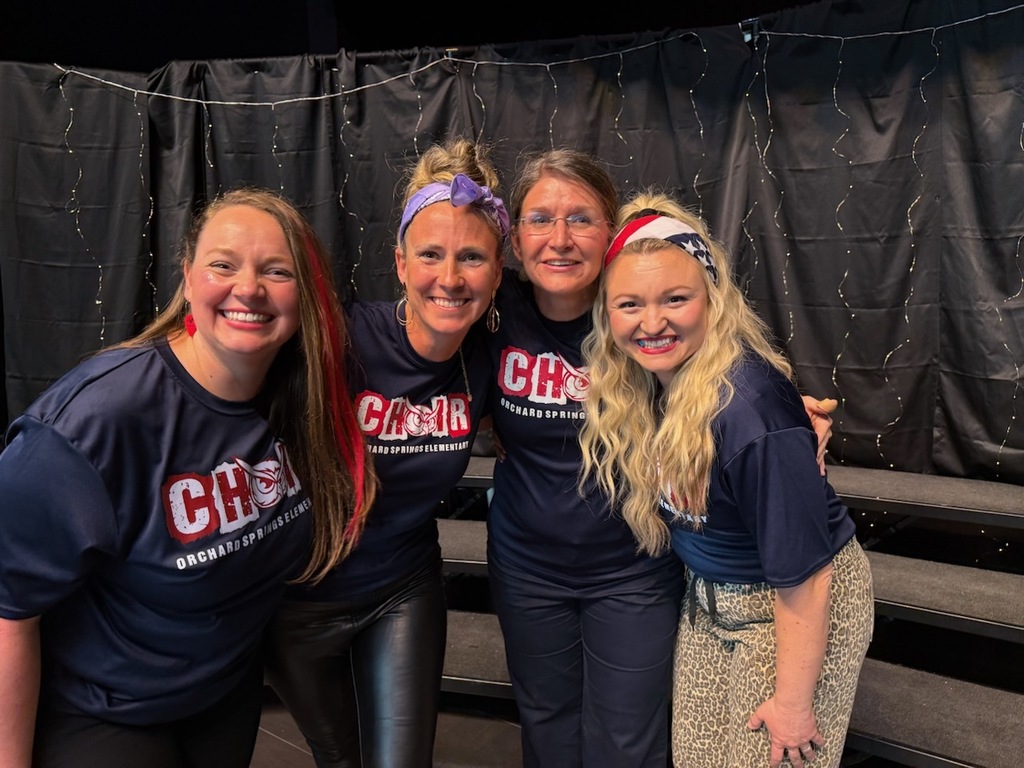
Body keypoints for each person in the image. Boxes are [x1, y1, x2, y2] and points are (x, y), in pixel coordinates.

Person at [484, 149, 837, 767]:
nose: (559, 239)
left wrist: (791, 417)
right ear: (514, 238)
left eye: (581, 219)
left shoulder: (645, 314)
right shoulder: (494, 311)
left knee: (627, 743)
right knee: (545, 725)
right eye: (539, 219)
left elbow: (734, 385)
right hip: (526, 567)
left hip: (633, 569)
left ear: (611, 232)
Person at [0, 187, 374, 768]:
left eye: (277, 271)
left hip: (223, 698)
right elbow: (7, 610)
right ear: (188, 277)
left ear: (306, 292)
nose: (248, 288)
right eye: (223, 265)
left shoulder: (298, 398)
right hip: (108, 712)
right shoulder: (93, 424)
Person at [579, 191, 873, 768]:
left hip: (793, 609)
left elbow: (808, 575)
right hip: (709, 603)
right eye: (630, 304)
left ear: (712, 299)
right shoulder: (645, 382)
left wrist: (794, 702)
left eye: (676, 298)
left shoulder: (748, 409)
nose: (652, 322)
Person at [262, 136, 507, 768]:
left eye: (472, 256)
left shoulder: (487, 357)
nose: (449, 278)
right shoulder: (338, 337)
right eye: (430, 254)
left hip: (402, 590)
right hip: (298, 602)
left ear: (498, 270)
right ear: (400, 263)